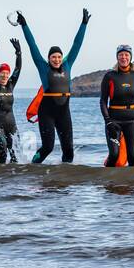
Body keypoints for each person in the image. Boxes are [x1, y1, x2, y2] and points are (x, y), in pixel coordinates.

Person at [18, 9, 89, 163]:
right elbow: (32, 45)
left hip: (64, 113)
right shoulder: (43, 68)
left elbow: (77, 44)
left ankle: (63, 178)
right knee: (48, 147)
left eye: (58, 57)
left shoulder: (68, 65)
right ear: (49, 58)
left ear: (62, 58)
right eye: (53, 57)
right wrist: (24, 25)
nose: (56, 59)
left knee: (68, 151)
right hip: (46, 113)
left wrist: (83, 24)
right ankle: (33, 166)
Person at [99, 44, 134, 166]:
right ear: (117, 57)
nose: (123, 57)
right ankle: (108, 182)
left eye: (126, 54)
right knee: (114, 154)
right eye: (121, 55)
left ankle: (132, 184)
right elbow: (103, 101)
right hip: (114, 119)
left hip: (132, 120)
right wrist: (108, 121)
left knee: (133, 157)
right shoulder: (109, 76)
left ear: (130, 57)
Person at [0, 36, 23, 163]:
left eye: (7, 73)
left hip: (11, 125)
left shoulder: (10, 85)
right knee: (2, 155)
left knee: (16, 156)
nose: (5, 74)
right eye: (2, 72)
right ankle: (0, 180)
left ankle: (12, 181)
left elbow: (18, 69)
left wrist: (18, 52)